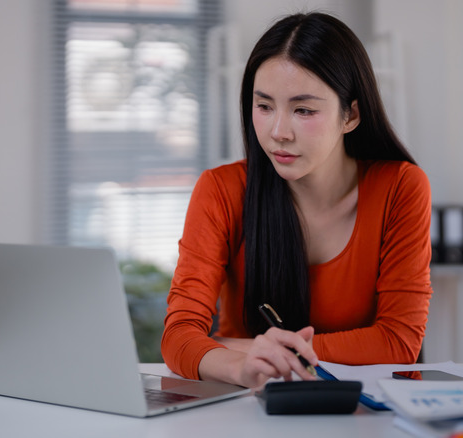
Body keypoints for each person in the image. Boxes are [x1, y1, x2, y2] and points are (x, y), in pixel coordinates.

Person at [161, 12, 432, 388]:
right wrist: (243, 366)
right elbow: (178, 338)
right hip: (252, 403)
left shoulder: (400, 187)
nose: (278, 132)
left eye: (303, 110)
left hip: (373, 409)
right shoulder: (220, 190)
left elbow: (398, 342)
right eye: (264, 106)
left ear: (351, 114)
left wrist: (250, 348)